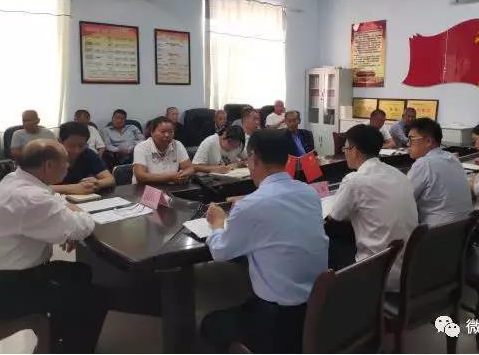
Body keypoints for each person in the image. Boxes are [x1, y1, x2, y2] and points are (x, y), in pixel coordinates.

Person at [201, 129, 328, 353]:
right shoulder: (309, 193)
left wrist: (217, 224)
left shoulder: (251, 205)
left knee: (209, 325)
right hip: (317, 306)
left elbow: (220, 252)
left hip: (278, 321)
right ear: (287, 158)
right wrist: (248, 202)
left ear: (253, 158)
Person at [0, 139, 107, 353]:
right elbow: (82, 226)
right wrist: (75, 213)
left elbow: (55, 198)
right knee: (94, 299)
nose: (68, 166)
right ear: (48, 165)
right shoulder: (32, 198)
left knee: (80, 272)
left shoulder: (14, 179)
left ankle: (56, 336)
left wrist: (63, 220)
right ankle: (67, 348)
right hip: (11, 285)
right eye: (65, 161)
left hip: (12, 273)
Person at [327, 125, 417, 291]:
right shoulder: (399, 175)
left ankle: (339, 296)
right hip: (408, 268)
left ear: (354, 151)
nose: (344, 152)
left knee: (328, 242)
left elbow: (334, 217)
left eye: (345, 148)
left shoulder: (355, 180)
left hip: (378, 272)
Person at [406, 118, 473, 226]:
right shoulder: (452, 158)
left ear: (428, 141)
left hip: (436, 231)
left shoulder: (424, 164)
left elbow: (404, 198)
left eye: (411, 139)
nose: (408, 144)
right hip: (463, 228)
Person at [52, 122, 116, 195]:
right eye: (71, 146)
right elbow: (41, 187)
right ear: (60, 141)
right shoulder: (49, 156)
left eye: (81, 146)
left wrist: (96, 183)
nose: (76, 151)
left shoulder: (88, 153)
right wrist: (74, 188)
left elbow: (110, 179)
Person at [133, 116, 194, 184]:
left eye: (170, 132)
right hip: (146, 188)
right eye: (163, 132)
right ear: (152, 132)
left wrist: (183, 175)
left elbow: (189, 168)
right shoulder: (141, 147)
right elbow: (141, 176)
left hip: (171, 187)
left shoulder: (177, 145)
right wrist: (170, 177)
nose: (167, 135)